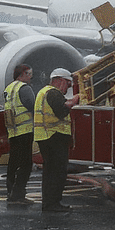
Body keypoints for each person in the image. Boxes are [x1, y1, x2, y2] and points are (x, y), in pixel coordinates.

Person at [33, 68, 79, 213]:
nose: (68, 89)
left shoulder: (44, 92)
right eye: (67, 84)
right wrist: (73, 103)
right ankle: (53, 203)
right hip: (53, 136)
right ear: (59, 81)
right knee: (56, 172)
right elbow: (60, 111)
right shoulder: (53, 93)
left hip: (46, 136)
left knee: (50, 172)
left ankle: (49, 202)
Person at [2, 64, 37, 205]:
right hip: (25, 130)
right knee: (26, 164)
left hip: (13, 130)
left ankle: (11, 191)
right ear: (22, 74)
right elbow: (33, 105)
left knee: (13, 162)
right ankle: (18, 195)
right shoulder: (24, 88)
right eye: (29, 74)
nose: (31, 77)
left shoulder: (9, 89)